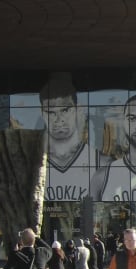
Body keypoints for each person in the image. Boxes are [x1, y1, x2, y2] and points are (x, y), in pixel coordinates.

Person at [39, 73, 109, 201]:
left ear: (78, 110)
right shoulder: (33, 164)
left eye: (65, 110)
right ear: (42, 114)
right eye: (51, 112)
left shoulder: (101, 163)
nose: (59, 120)